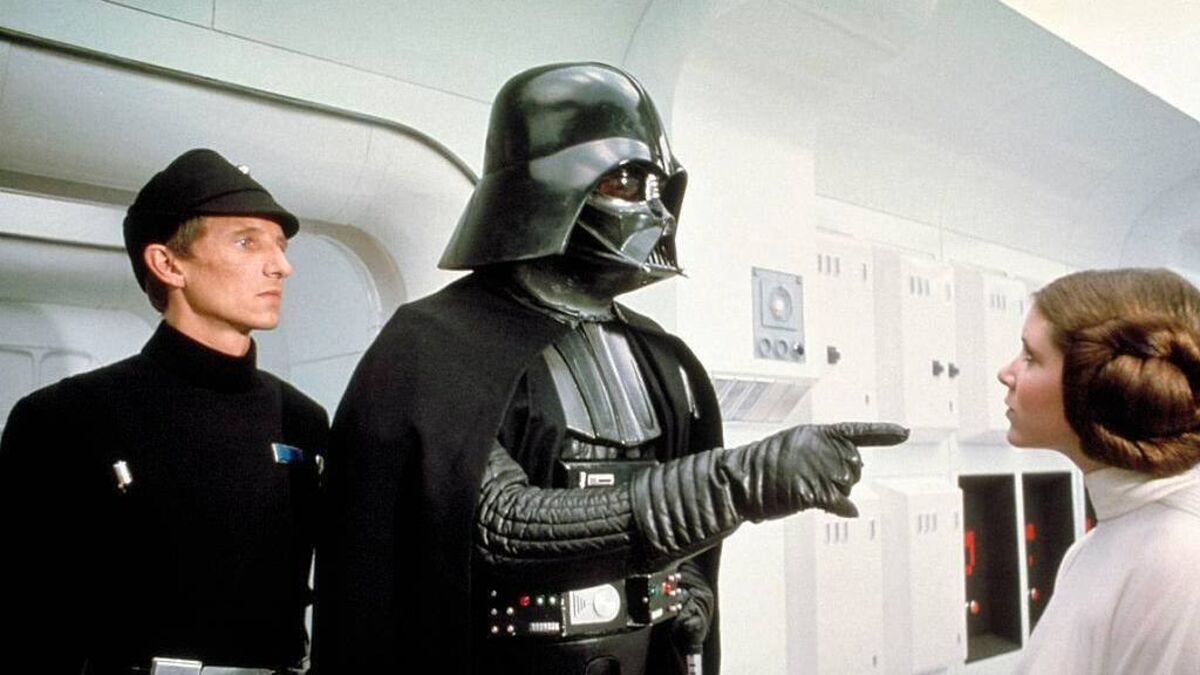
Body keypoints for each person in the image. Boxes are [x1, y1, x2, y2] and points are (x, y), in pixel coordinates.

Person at [312, 62, 907, 675]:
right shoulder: (434, 344)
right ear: (544, 188)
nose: (655, 213)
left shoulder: (660, 357)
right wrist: (737, 484)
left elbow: (677, 538)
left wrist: (685, 590)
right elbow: (497, 525)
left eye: (657, 188)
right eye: (626, 180)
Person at [0, 148, 329, 674]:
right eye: (247, 242)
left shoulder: (305, 420)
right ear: (168, 263)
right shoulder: (64, 419)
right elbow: (23, 621)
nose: (281, 266)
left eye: (281, 246)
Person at [999, 268, 1200, 673]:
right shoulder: (1092, 549)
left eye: (1031, 358)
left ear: (1099, 385)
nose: (1006, 373)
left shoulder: (1180, 559)